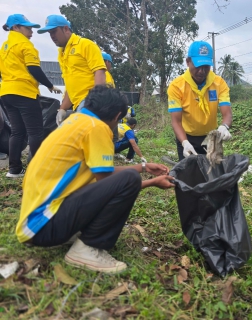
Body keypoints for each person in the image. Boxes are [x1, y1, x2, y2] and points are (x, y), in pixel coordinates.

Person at [15, 85, 175, 273]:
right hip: (45, 226)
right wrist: (151, 182)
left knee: (129, 176)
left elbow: (102, 173)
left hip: (34, 225)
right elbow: (106, 181)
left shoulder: (75, 121)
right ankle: (87, 248)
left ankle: (75, 235)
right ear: (116, 116)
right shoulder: (96, 127)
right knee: (130, 178)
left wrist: (144, 167)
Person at [0, 14, 62, 178]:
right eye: (27, 27)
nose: (31, 31)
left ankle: (14, 170)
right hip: (24, 92)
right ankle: (37, 168)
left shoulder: (5, 47)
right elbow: (34, 69)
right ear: (16, 28)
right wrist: (50, 85)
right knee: (35, 131)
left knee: (17, 132)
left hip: (6, 93)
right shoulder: (25, 45)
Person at [167, 41, 232, 161]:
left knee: (213, 172)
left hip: (211, 138)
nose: (202, 71)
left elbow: (227, 113)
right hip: (186, 137)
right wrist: (185, 143)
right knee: (188, 174)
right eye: (198, 66)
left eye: (206, 66)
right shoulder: (177, 86)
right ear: (188, 62)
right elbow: (176, 121)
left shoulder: (219, 83)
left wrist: (224, 126)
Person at [37, 15, 106, 124]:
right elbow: (71, 86)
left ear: (65, 29)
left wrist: (96, 100)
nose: (52, 36)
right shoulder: (62, 54)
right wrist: (62, 109)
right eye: (50, 33)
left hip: (90, 100)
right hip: (78, 103)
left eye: (54, 31)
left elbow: (99, 71)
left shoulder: (85, 45)